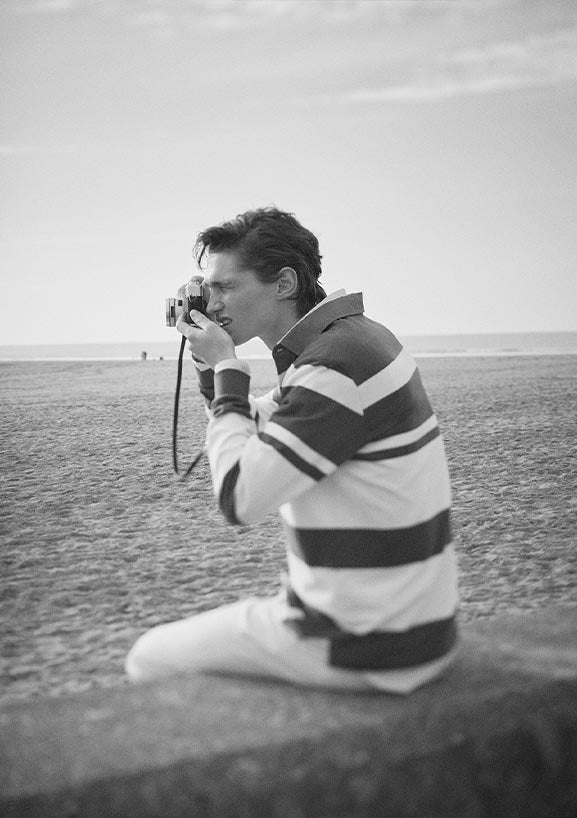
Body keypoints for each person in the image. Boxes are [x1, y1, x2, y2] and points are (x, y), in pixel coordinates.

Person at [125, 207, 459, 693]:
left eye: (225, 287)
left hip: (361, 643)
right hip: (418, 630)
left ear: (283, 283)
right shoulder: (356, 341)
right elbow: (260, 423)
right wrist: (209, 365)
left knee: (148, 657)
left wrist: (228, 367)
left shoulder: (331, 370)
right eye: (206, 287)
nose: (211, 303)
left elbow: (239, 497)